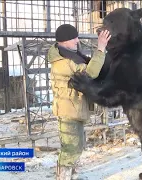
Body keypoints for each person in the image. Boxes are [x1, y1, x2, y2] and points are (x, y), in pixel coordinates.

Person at [47, 24, 111, 180]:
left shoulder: (70, 54)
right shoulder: (64, 62)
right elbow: (90, 73)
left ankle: (72, 175)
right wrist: (101, 47)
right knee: (71, 148)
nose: (77, 40)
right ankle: (63, 177)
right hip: (68, 110)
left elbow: (91, 66)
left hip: (74, 108)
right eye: (73, 38)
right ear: (64, 41)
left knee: (77, 145)